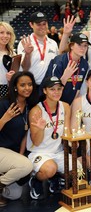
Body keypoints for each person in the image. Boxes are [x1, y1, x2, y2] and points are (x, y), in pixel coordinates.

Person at [26, 76, 81, 200]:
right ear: (45, 91)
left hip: (58, 152)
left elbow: (65, 132)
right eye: (52, 89)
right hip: (39, 152)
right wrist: (40, 129)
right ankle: (36, 180)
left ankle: (55, 178)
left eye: (59, 89)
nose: (56, 92)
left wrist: (73, 141)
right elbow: (36, 141)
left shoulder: (65, 106)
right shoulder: (36, 111)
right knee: (50, 169)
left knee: (78, 170)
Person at [0, 71, 38, 206]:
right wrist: (4, 119)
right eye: (23, 85)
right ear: (15, 87)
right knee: (26, 166)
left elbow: (25, 134)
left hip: (13, 153)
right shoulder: (4, 104)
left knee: (15, 195)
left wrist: (21, 155)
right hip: (1, 151)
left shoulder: (29, 106)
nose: (27, 88)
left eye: (29, 84)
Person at [43, 32, 90, 105]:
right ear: (71, 46)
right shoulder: (59, 61)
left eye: (85, 46)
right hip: (53, 103)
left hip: (71, 104)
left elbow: (78, 88)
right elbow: (51, 89)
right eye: (79, 45)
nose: (83, 48)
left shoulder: (84, 64)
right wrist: (65, 76)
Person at [17, 12, 58, 87]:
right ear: (31, 25)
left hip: (49, 86)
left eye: (44, 24)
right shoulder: (25, 43)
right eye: (38, 24)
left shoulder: (53, 43)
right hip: (31, 87)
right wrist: (28, 54)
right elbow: (24, 68)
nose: (42, 27)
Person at [0, 22, 16, 98]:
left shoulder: (13, 53)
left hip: (11, 89)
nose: (5, 36)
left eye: (8, 33)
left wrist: (13, 76)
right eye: (1, 33)